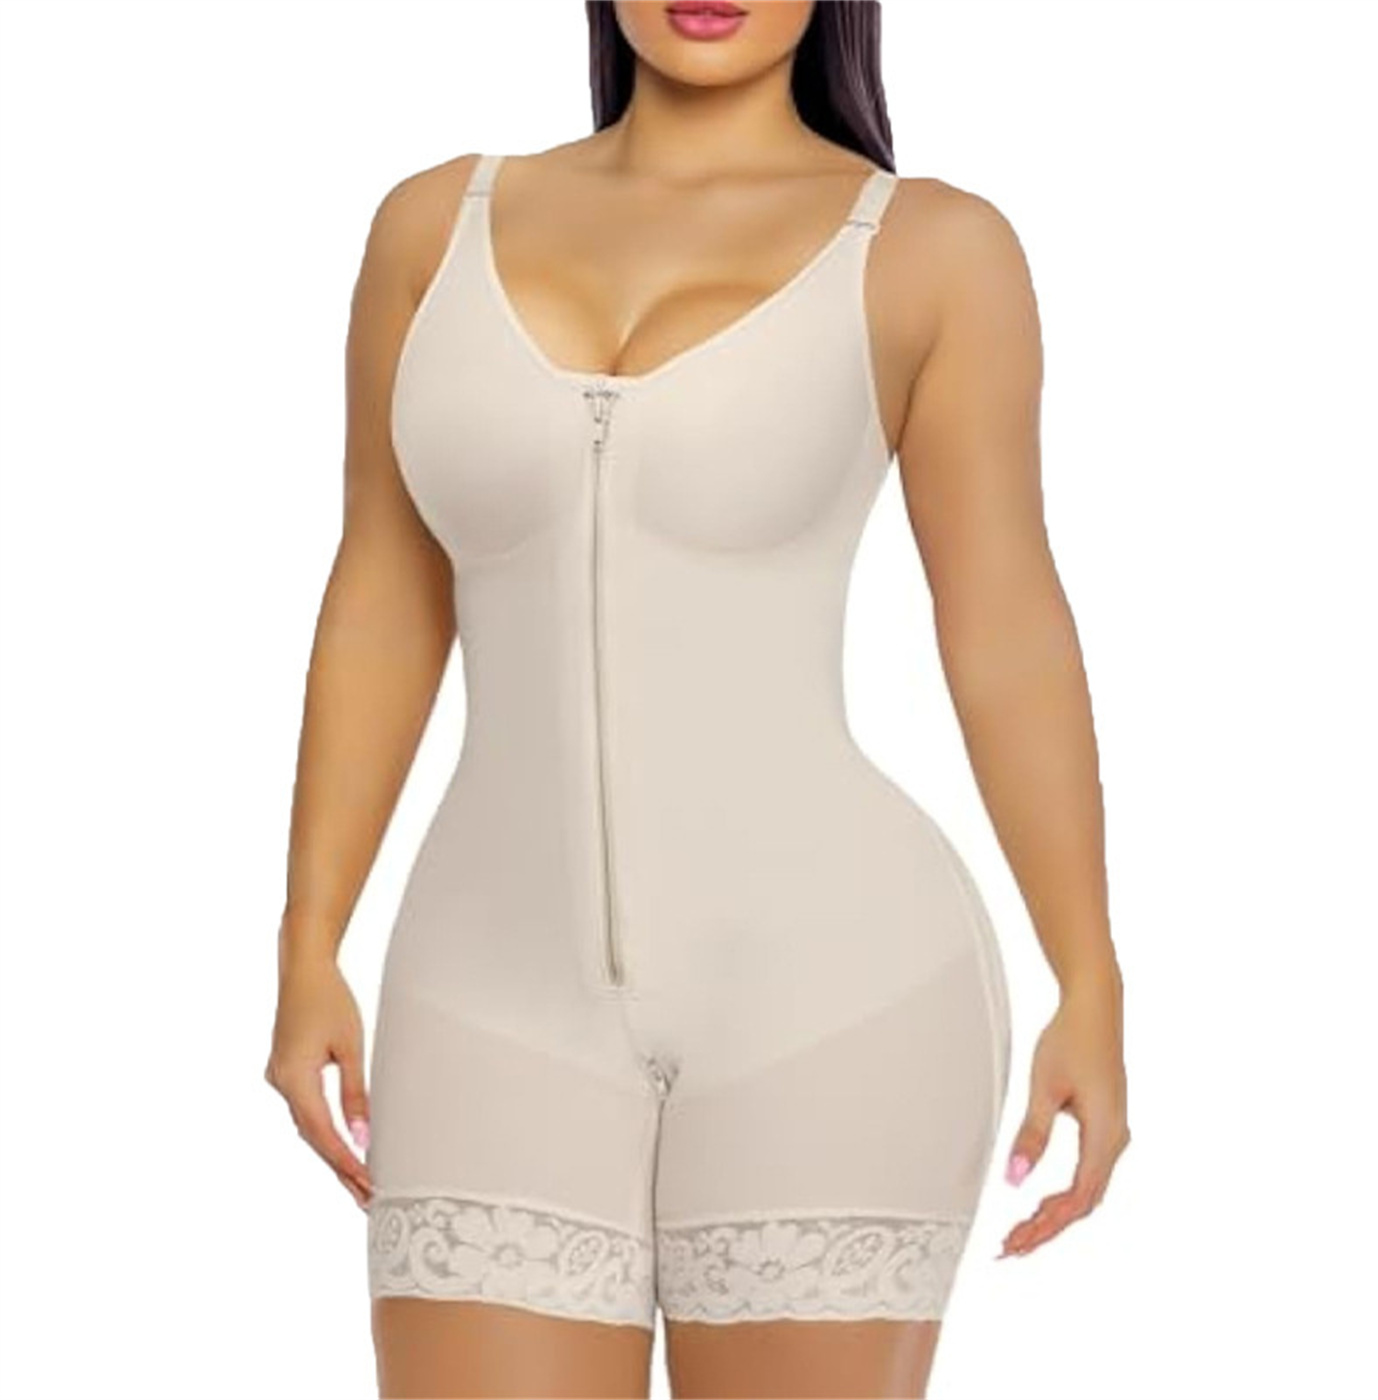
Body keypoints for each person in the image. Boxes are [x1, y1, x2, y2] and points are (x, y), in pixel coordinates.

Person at [264, 2, 1130, 1395]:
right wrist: (309, 941)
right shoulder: (432, 230)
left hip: (833, 993)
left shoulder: (932, 250)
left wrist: (1088, 977)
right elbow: (380, 595)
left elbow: (1004, 626)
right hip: (485, 986)